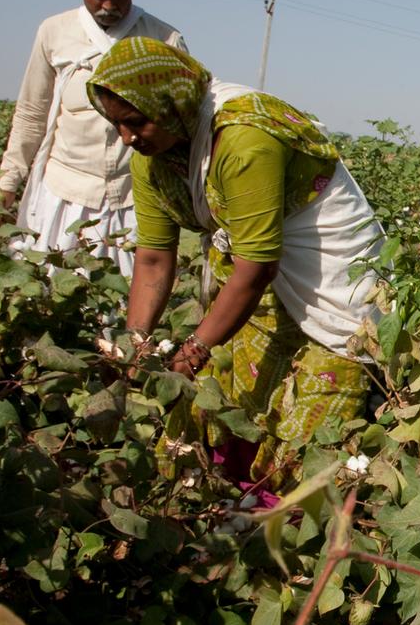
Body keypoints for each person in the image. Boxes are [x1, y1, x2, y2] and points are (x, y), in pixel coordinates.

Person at [87, 37, 383, 490]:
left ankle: (280, 534)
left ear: (172, 106)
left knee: (306, 432)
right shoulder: (153, 159)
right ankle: (215, 502)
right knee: (231, 397)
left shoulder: (244, 138)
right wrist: (136, 344)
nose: (127, 138)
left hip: (325, 280)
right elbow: (151, 258)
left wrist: (195, 349)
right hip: (250, 282)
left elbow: (258, 265)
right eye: (117, 125)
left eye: (136, 122)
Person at [0, 0, 186, 276]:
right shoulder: (55, 32)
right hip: (64, 193)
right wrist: (6, 185)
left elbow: (187, 124)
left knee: (125, 309)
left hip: (133, 199)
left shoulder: (164, 39)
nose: (109, 4)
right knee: (52, 294)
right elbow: (32, 114)